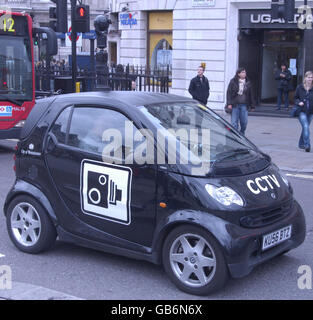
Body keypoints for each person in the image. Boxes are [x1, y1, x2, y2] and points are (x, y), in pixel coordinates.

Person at [226, 67, 255, 135]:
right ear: (238, 74)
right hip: (235, 105)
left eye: (245, 72)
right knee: (234, 123)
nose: (244, 73)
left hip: (244, 105)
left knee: (244, 122)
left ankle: (242, 133)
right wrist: (229, 103)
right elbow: (229, 93)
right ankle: (235, 136)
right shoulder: (233, 81)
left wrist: (252, 105)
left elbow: (251, 94)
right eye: (242, 72)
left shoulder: (248, 82)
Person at [294, 71, 313, 152]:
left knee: (305, 128)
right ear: (305, 78)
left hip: (311, 112)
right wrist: (299, 102)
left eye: (311, 77)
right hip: (302, 111)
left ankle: (301, 144)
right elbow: (295, 98)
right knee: (305, 127)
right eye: (309, 77)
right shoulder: (300, 87)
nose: (310, 79)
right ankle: (307, 145)